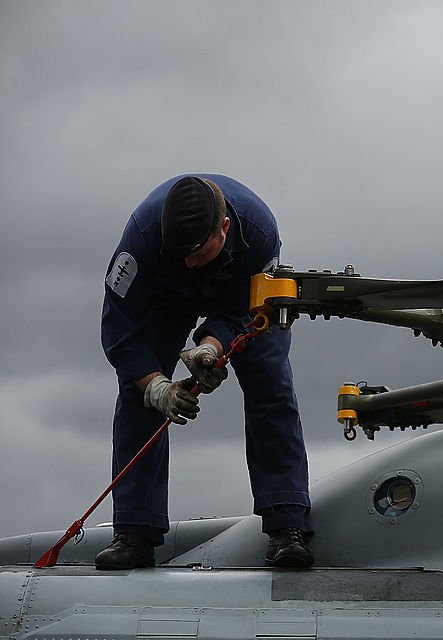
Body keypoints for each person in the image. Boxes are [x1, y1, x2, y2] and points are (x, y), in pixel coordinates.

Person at [98, 174, 314, 570]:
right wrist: (157, 387)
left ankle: (287, 525)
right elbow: (119, 329)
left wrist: (210, 349)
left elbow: (243, 314)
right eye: (179, 253)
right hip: (165, 299)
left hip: (242, 299)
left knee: (271, 387)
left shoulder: (259, 232)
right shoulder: (141, 242)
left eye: (197, 251)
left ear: (225, 228)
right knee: (137, 396)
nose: (188, 262)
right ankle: (134, 531)